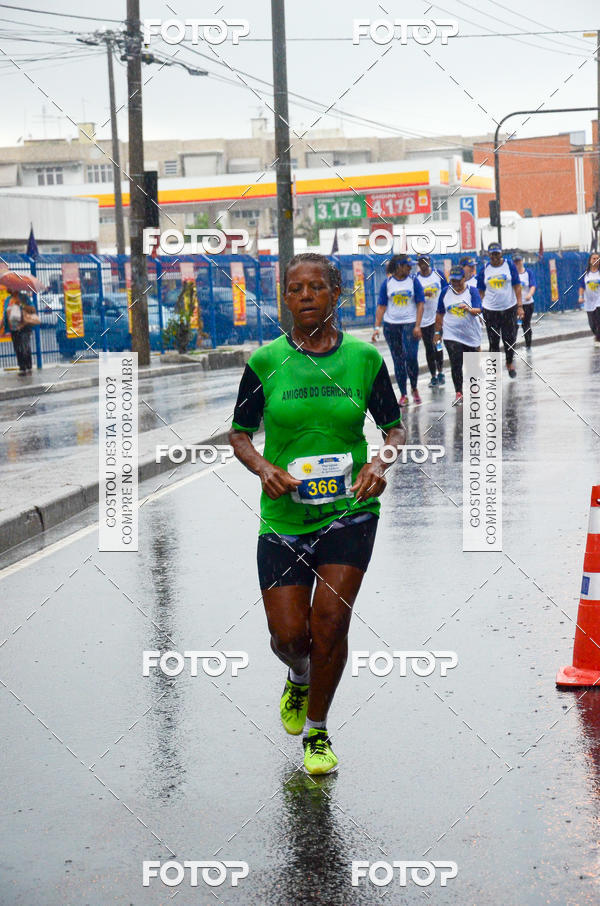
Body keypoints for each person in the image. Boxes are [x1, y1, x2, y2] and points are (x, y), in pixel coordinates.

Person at [229, 253, 406, 775]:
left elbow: (394, 427)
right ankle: (299, 677)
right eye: (295, 288)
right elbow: (239, 434)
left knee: (330, 622)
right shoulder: (265, 362)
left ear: (334, 294)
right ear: (286, 297)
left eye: (316, 287)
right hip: (284, 517)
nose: (305, 296)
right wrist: (263, 468)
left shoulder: (363, 360)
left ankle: (318, 730)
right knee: (290, 637)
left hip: (350, 512)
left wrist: (379, 462)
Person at [372, 254, 425, 407]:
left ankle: (414, 387)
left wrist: (417, 325)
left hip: (410, 325)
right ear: (399, 266)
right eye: (407, 265)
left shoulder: (414, 281)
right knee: (398, 360)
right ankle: (403, 394)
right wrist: (376, 327)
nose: (410, 268)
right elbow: (381, 306)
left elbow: (421, 303)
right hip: (391, 326)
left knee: (411, 357)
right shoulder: (387, 283)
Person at [435, 265, 483, 405]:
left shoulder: (472, 291)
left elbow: (479, 309)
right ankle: (459, 393)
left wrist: (468, 309)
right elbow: (440, 313)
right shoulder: (445, 292)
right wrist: (438, 332)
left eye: (458, 280)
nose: (455, 284)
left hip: (470, 335)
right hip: (451, 334)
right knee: (456, 363)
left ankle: (474, 389)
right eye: (453, 281)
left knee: (472, 365)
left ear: (464, 278)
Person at [477, 241, 523, 378]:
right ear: (489, 255)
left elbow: (517, 286)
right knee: (493, 340)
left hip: (509, 308)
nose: (495, 257)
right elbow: (480, 291)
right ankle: (495, 369)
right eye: (492, 254)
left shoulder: (509, 266)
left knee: (510, 338)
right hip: (490, 310)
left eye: (497, 254)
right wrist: (479, 309)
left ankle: (509, 362)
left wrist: (520, 306)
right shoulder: (484, 269)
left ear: (501, 253)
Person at [414, 254, 447, 388]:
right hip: (423, 320)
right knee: (429, 348)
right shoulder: (415, 278)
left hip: (437, 317)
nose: (423, 264)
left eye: (425, 261)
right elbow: (413, 296)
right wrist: (422, 294)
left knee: (438, 345)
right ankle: (433, 376)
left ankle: (441, 372)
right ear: (418, 264)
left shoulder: (438, 274)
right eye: (421, 262)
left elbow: (446, 290)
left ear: (429, 262)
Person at [2, 290, 36, 376]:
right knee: (18, 348)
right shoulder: (7, 300)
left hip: (24, 327)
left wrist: (21, 304)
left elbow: (32, 310)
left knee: (24, 347)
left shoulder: (24, 297)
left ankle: (28, 367)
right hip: (13, 328)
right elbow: (5, 315)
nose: (7, 288)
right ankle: (22, 368)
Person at [512, 253, 536, 349]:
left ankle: (528, 346)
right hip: (515, 304)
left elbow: (533, 285)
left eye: (519, 261)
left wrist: (529, 294)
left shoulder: (528, 273)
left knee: (526, 325)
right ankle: (512, 347)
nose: (517, 263)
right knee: (514, 326)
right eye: (515, 262)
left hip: (527, 304)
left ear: (522, 261)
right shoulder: (512, 275)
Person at [578, 252, 600, 343]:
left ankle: (598, 339)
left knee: (599, 321)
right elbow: (581, 286)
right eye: (593, 258)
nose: (595, 260)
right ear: (590, 261)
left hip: (599, 301)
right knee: (592, 324)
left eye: (597, 258)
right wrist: (580, 296)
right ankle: (597, 335)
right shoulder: (586, 274)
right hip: (589, 302)